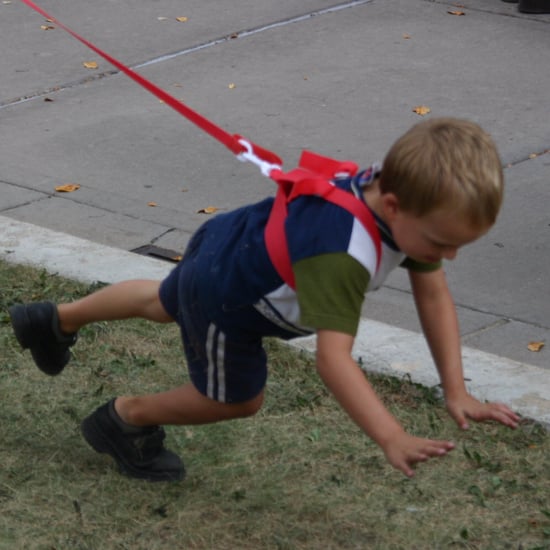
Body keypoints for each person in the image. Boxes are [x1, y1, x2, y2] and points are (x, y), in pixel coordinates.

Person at [9, 117, 520, 482]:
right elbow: (333, 359)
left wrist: (456, 391)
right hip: (232, 298)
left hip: (231, 239)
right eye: (440, 242)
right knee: (235, 398)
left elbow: (432, 293)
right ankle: (125, 418)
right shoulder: (343, 255)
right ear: (393, 204)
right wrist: (391, 435)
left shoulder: (401, 194)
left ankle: (53, 321)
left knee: (165, 299)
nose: (447, 255)